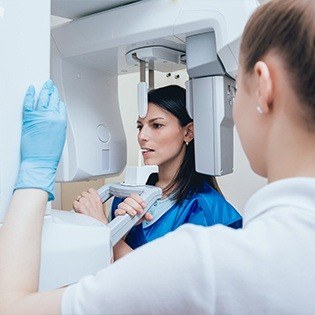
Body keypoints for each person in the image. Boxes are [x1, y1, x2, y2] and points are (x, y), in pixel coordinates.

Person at [0, 0, 315, 313]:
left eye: (236, 91)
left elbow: (13, 307)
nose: (143, 136)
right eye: (140, 126)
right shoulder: (136, 200)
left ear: (263, 86)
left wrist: (36, 175)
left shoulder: (207, 255)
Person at [73, 85, 242, 260]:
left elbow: (167, 283)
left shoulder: (207, 208)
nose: (142, 136)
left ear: (188, 132)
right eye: (140, 126)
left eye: (156, 125)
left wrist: (102, 230)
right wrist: (119, 231)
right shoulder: (126, 198)